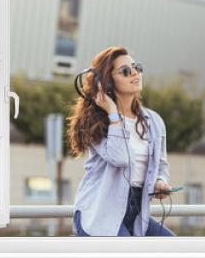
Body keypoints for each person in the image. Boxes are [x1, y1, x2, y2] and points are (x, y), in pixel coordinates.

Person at [67, 46, 176, 236]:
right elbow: (121, 158)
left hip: (136, 213)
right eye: (125, 71)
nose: (135, 73)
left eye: (137, 67)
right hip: (98, 211)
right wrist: (113, 113)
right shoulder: (97, 122)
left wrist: (160, 181)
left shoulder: (154, 121)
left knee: (175, 247)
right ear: (107, 82)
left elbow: (161, 165)